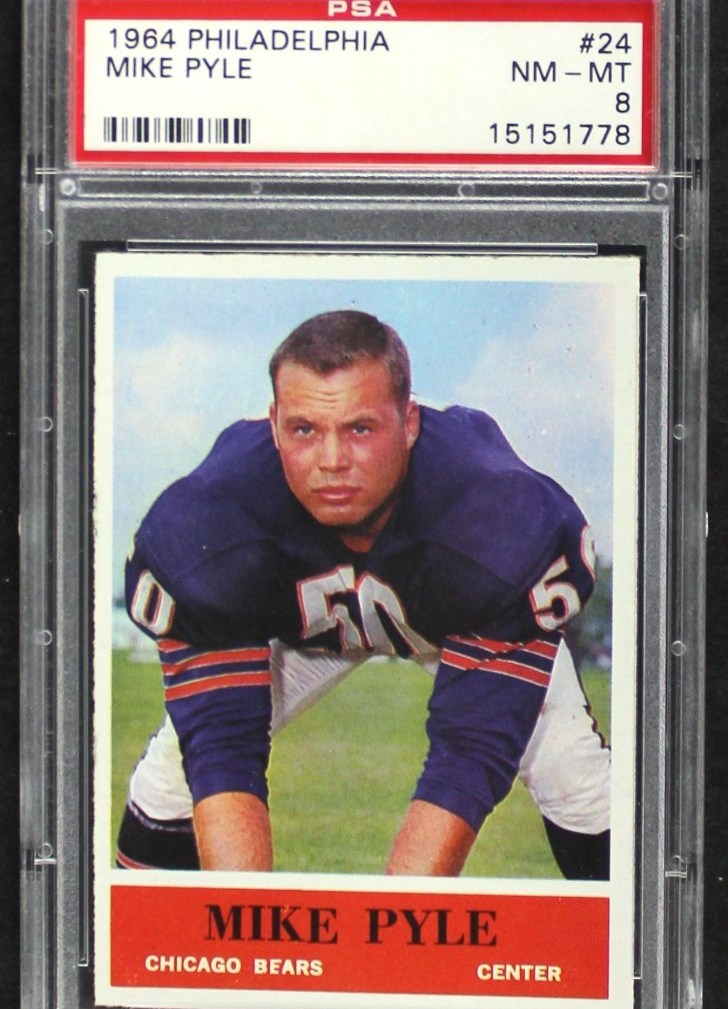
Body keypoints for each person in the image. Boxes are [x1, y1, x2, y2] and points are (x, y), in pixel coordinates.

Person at [118, 309, 610, 878]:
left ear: (409, 424)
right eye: (305, 430)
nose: (332, 462)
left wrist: (398, 923)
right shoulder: (213, 517)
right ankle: (133, 939)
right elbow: (222, 748)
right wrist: (245, 925)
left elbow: (468, 758)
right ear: (274, 427)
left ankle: (630, 929)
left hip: (453, 617)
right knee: (175, 774)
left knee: (572, 775)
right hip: (302, 629)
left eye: (360, 430)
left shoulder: (492, 512)